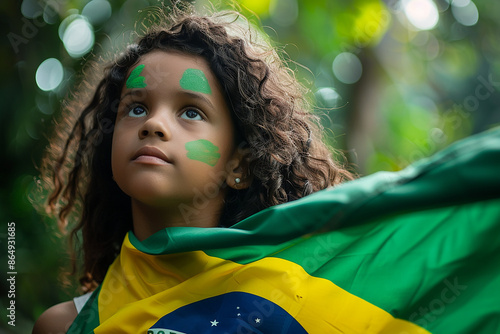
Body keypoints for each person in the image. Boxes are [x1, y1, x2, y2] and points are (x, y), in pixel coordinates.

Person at [33, 3, 500, 334]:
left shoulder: (291, 296)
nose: (153, 123)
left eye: (190, 112)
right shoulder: (64, 325)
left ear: (239, 164)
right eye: (135, 108)